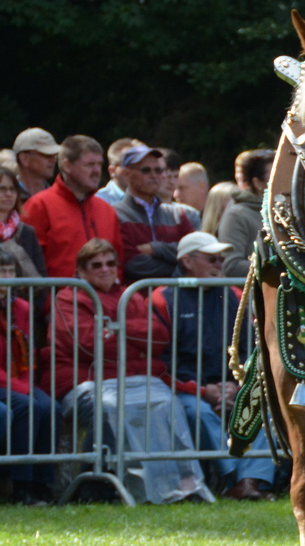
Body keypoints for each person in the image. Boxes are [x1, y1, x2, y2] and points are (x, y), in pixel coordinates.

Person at [48, 238, 210, 504]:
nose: (105, 269)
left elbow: (158, 338)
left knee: (167, 402)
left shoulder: (131, 295)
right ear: (81, 271)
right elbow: (89, 346)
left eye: (110, 263)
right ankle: (123, 487)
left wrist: (116, 327)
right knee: (112, 406)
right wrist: (134, 339)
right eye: (96, 265)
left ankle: (185, 483)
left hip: (133, 378)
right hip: (85, 381)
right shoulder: (69, 297)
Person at [152, 233, 277, 501]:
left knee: (264, 409)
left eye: (221, 259)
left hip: (230, 385)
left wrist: (237, 386)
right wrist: (200, 391)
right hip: (184, 389)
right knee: (199, 412)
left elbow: (250, 350)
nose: (219, 265)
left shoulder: (234, 294)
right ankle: (231, 479)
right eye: (211, 259)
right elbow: (159, 364)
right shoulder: (162, 298)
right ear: (186, 261)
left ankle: (249, 481)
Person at [20, 134, 122, 278]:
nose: (96, 171)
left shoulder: (107, 210)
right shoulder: (38, 206)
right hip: (57, 298)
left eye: (99, 164)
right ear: (67, 166)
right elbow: (28, 264)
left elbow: (119, 263)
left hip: (103, 299)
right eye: (89, 165)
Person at [0, 249, 55, 504]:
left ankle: (43, 483)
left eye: (11, 271)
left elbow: (28, 351)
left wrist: (23, 384)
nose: (7, 277)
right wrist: (19, 388)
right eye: (2, 271)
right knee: (26, 407)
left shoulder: (21, 307)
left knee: (50, 407)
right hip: (5, 381)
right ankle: (21, 486)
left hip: (18, 379)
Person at [112, 145, 200, 283]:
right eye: (146, 170)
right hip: (137, 301)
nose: (154, 175)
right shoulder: (116, 214)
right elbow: (132, 264)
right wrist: (180, 268)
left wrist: (156, 248)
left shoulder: (177, 214)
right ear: (126, 174)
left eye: (158, 170)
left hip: (174, 300)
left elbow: (196, 253)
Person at [217, 149, 273, 278]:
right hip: (251, 296)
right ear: (258, 183)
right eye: (276, 176)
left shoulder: (284, 213)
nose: (283, 181)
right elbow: (231, 266)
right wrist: (277, 266)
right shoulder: (236, 215)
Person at [0, 169, 47, 277]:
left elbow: (41, 277)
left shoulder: (27, 232)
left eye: (12, 189)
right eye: (2, 189)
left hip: (23, 294)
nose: (9, 194)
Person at [12, 128, 59, 200]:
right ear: (24, 159)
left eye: (54, 155)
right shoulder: (8, 198)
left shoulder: (57, 198)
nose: (53, 160)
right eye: (46, 155)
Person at [95, 137, 141, 207]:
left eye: (142, 167)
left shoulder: (152, 200)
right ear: (112, 171)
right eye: (131, 166)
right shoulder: (98, 202)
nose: (138, 172)